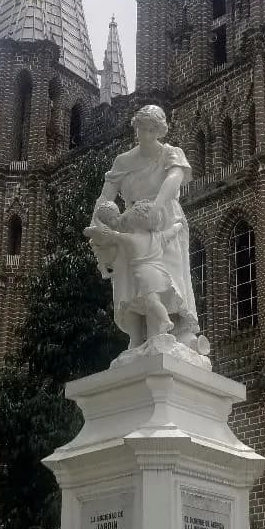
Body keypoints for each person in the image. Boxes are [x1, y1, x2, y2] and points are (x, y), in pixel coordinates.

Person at [89, 104, 203, 353]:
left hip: (164, 217)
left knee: (169, 276)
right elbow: (105, 197)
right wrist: (98, 224)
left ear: (159, 131)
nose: (146, 135)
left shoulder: (171, 153)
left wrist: (157, 206)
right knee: (129, 278)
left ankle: (175, 329)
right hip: (130, 222)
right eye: (142, 129)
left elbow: (174, 180)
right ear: (136, 129)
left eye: (152, 130)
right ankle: (137, 335)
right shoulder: (124, 161)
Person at [86, 200, 187, 345]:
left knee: (151, 300)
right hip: (160, 274)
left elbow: (111, 235)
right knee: (147, 301)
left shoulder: (130, 238)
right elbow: (170, 233)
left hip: (144, 276)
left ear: (136, 222)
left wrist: (97, 222)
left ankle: (164, 322)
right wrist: (179, 225)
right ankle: (154, 329)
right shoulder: (157, 237)